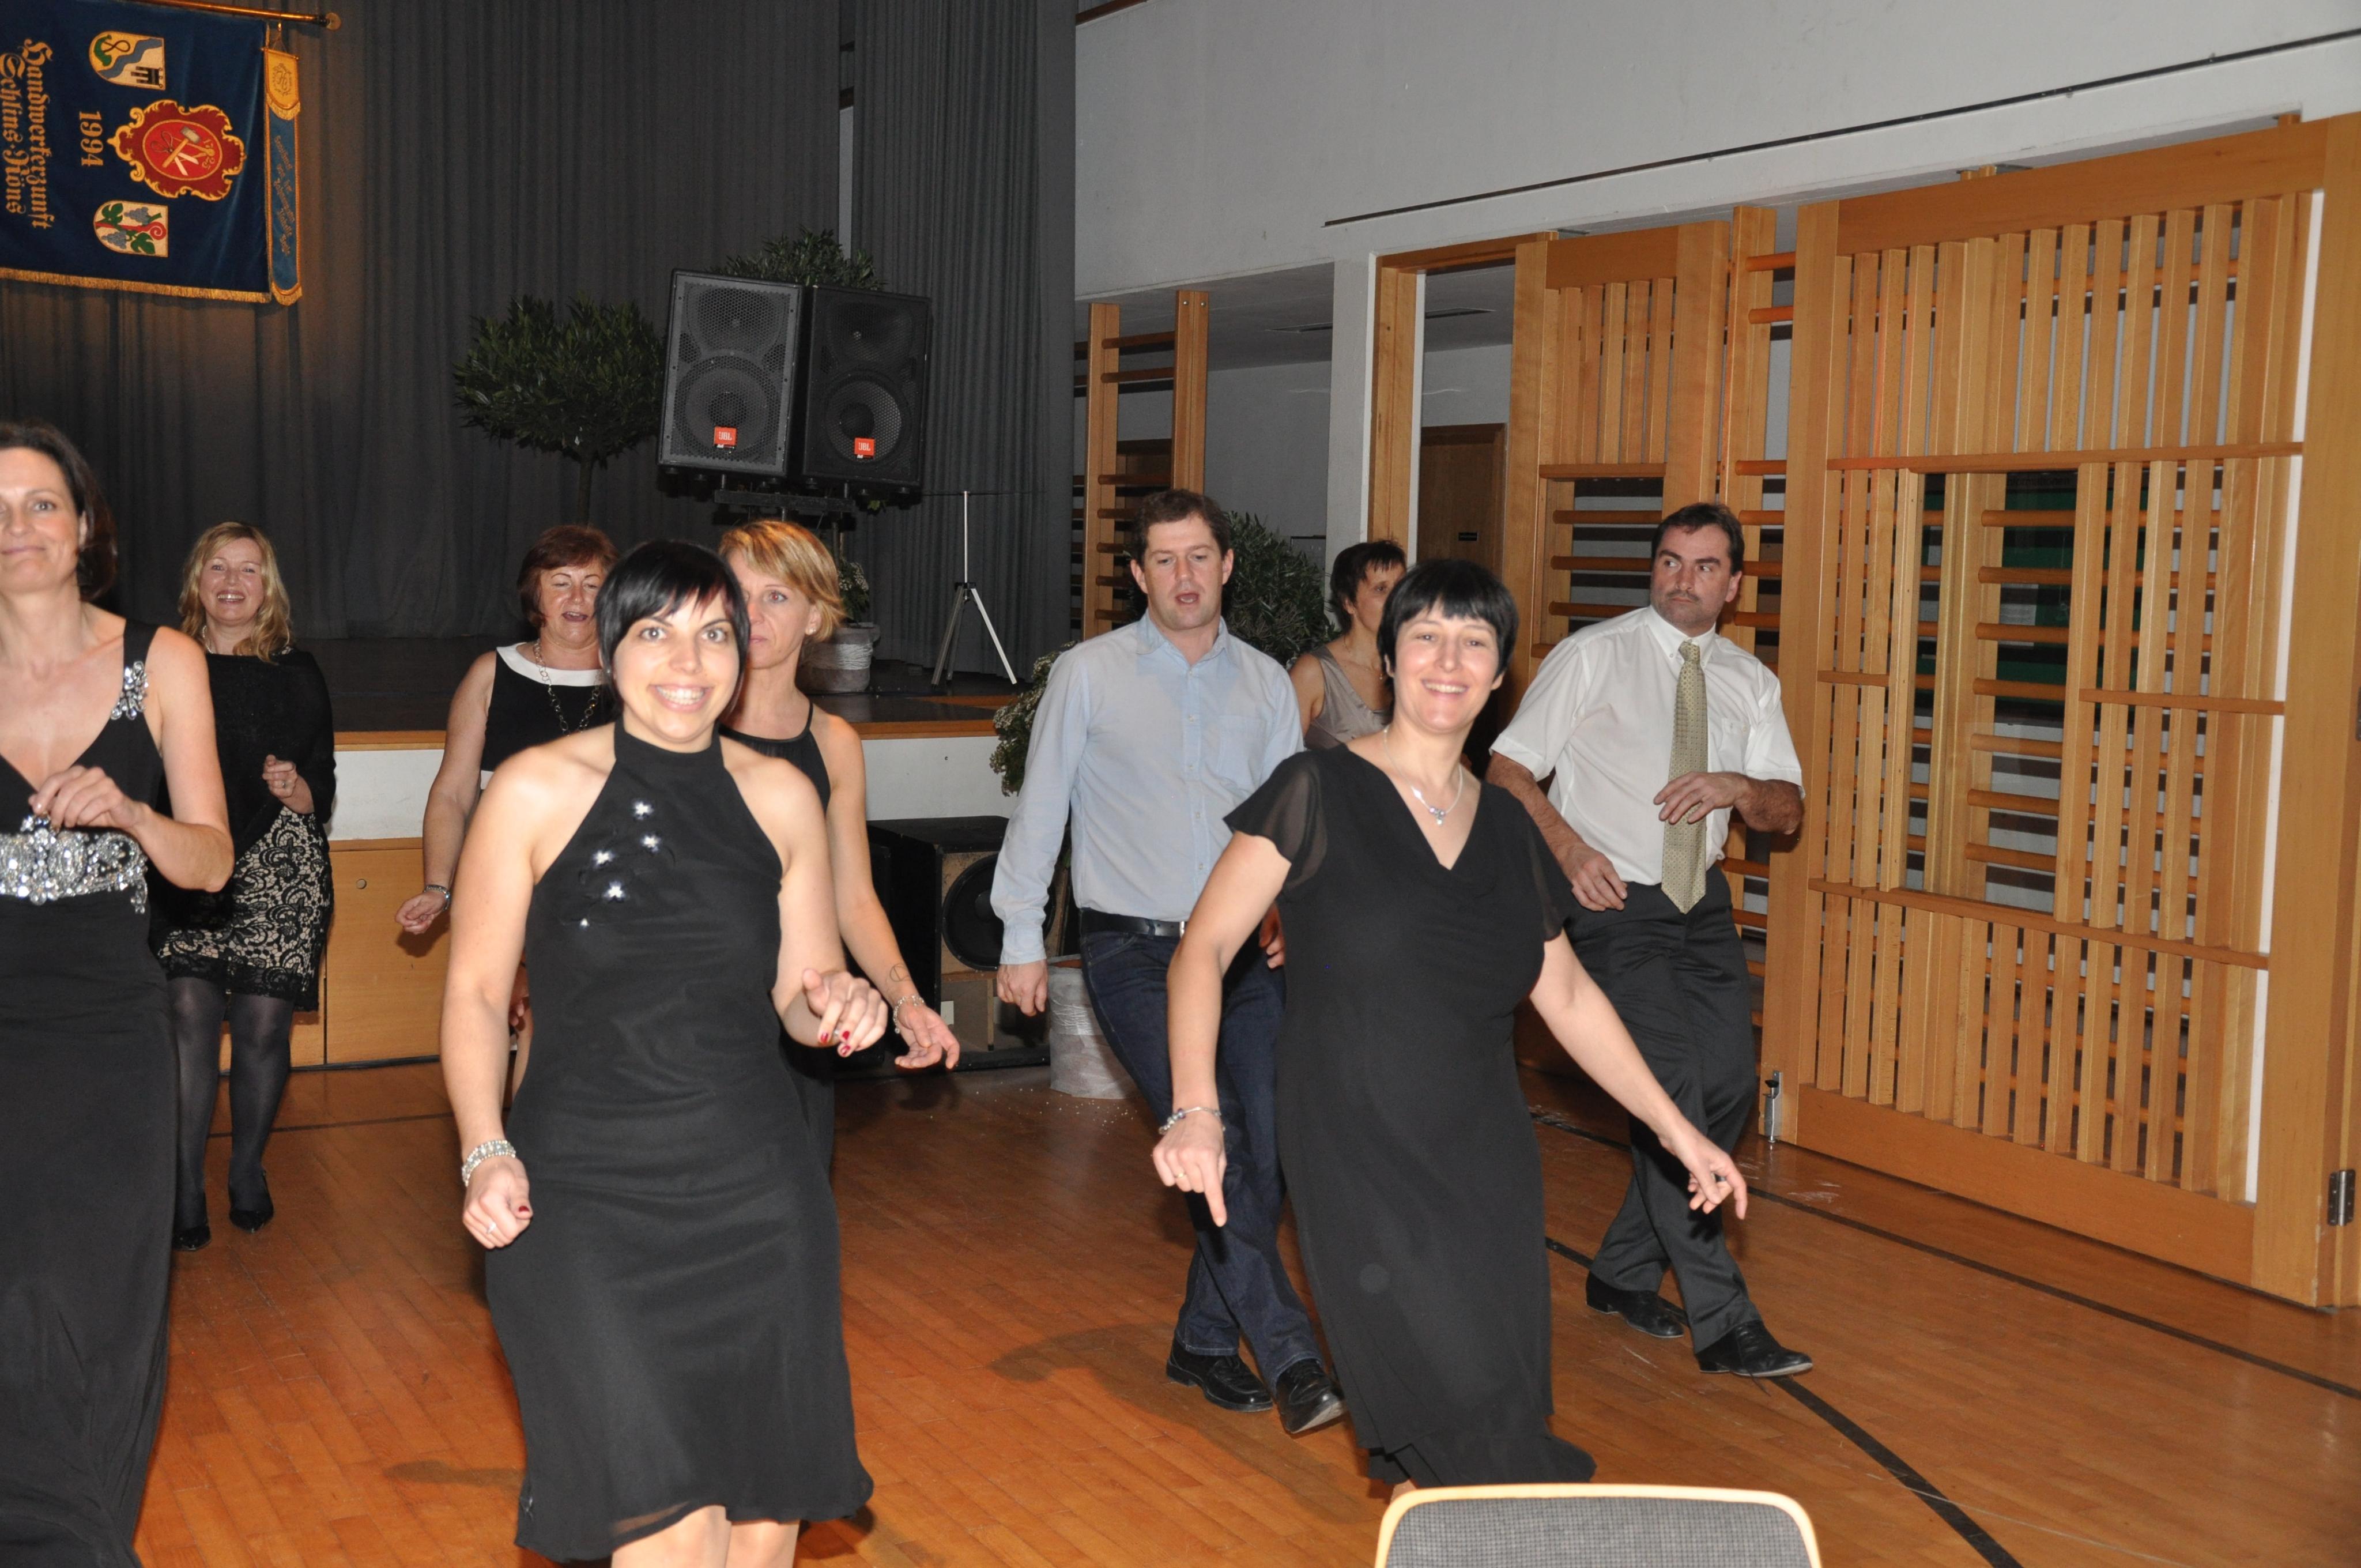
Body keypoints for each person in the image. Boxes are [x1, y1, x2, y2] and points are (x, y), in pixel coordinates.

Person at [1153, 557, 1748, 1491]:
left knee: (1491, 1402)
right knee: (1443, 1401)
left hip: (1484, 1154)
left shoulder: (1509, 828)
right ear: (1390, 658)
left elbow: (1570, 997)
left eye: (1473, 643)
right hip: (1355, 1146)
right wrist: (1196, 1110)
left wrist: (1681, 1133)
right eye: (1425, 636)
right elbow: (1203, 949)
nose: (1447, 660)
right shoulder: (1315, 789)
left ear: (1499, 673)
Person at [446, 540, 885, 1567]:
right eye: (657, 632)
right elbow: (473, 994)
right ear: (611, 647)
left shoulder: (781, 795)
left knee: (763, 1524)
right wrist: (483, 1148)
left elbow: (801, 995)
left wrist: (842, 1004)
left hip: (757, 1197)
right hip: (585, 1200)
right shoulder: (534, 789)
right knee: (667, 1529)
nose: (688, 661)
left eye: (715, 633)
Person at [991, 488, 1345, 1438]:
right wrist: (1021, 938)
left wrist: (1297, 912)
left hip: (1247, 954)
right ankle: (1293, 1358)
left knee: (1265, 1150)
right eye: (1163, 559)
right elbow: (1041, 807)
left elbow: (1292, 822)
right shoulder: (1088, 674)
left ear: (1225, 566)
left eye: (1198, 557)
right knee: (1208, 1124)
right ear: (1137, 574)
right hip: (1132, 950)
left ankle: (1202, 1339)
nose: (1183, 576)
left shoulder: (1266, 683)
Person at [1487, 500, 1810, 1379]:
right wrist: (1568, 849)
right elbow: (1507, 770)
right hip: (1612, 902)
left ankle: (1626, 1269)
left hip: (1700, 903)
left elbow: (1786, 811)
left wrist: (1736, 786)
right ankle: (1725, 1321)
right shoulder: (1595, 656)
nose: (1683, 580)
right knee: (1670, 1087)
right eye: (1670, 561)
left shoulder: (1749, 682)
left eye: (1704, 567)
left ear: (1733, 585)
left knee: (1727, 1087)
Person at [0, 420, 235, 1563]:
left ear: (85, 525)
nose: (16, 529)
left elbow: (212, 862)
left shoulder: (163, 662)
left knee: (97, 1306)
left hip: (106, 1038)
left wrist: (135, 815)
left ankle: (82, 1540)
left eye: (40, 504)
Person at [717, 518, 960, 1158]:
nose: (751, 613)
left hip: (802, 997)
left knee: (793, 1191)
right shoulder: (678, 724)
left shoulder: (833, 742)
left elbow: (852, 897)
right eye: (738, 593)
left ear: (814, 617)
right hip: (696, 1004)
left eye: (776, 596)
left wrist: (907, 1003)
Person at [153, 522, 337, 1251]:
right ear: (196, 581)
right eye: (218, 568)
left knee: (263, 1029)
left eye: (249, 570)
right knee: (189, 1019)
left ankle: (246, 1166)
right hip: (190, 861)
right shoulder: (165, 662)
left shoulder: (299, 670)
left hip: (280, 866)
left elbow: (322, 783)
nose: (233, 582)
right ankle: (184, 1181)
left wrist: (295, 787)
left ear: (269, 587)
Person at [398, 525, 615, 1082]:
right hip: (505, 878)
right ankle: (501, 1134)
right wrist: (438, 885)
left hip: (604, 883)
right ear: (534, 594)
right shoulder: (491, 673)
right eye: (561, 582)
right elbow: (452, 793)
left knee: (573, 1029)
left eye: (593, 584)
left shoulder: (637, 676)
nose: (577, 598)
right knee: (515, 1016)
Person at [1289, 538, 1404, 747]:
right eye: (1381, 589)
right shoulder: (1314, 673)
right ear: (1349, 603)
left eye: (1401, 586)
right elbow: (1281, 757)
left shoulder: (1413, 666)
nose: (1397, 598)